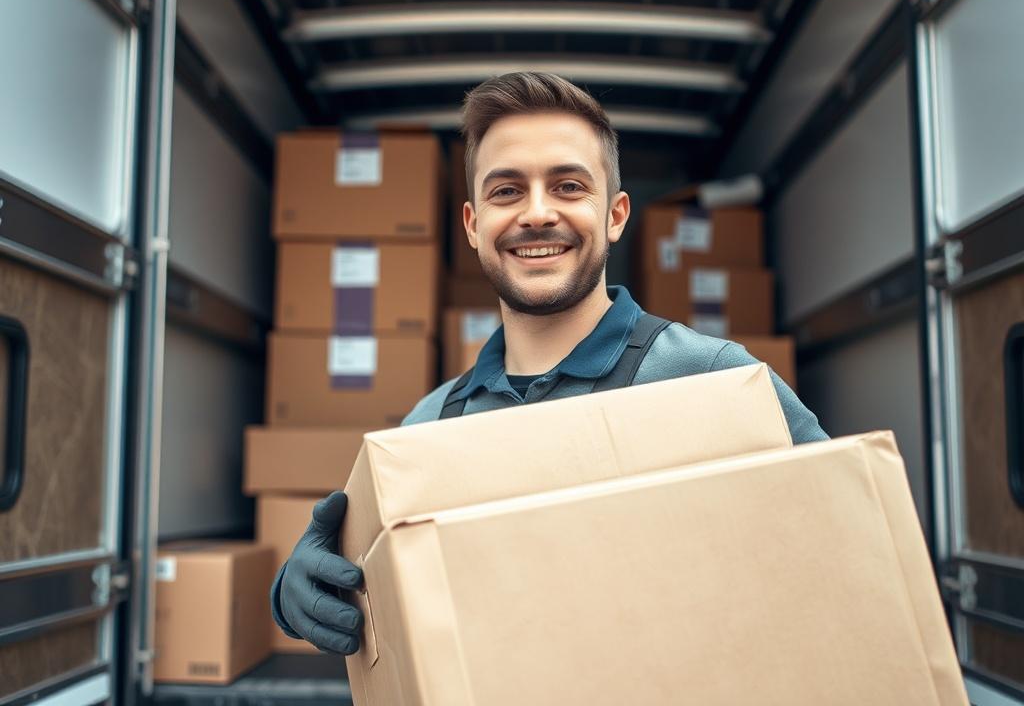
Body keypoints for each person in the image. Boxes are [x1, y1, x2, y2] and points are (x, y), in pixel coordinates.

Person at [270, 72, 828, 655]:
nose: (536, 214)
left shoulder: (714, 380)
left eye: (567, 186)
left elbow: (851, 539)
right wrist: (294, 591)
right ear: (473, 225)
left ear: (615, 215)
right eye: (506, 191)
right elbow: (363, 580)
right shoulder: (431, 426)